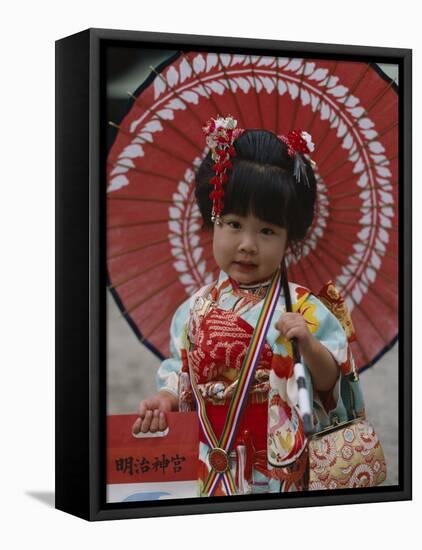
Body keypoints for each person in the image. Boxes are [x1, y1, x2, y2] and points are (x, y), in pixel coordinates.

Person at [132, 114, 365, 496]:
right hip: (212, 452)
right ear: (213, 220)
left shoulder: (304, 308)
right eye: (234, 223)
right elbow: (181, 369)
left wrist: (308, 344)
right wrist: (166, 398)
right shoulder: (195, 308)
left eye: (267, 230)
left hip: (278, 461)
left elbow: (332, 388)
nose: (247, 244)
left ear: (290, 237)